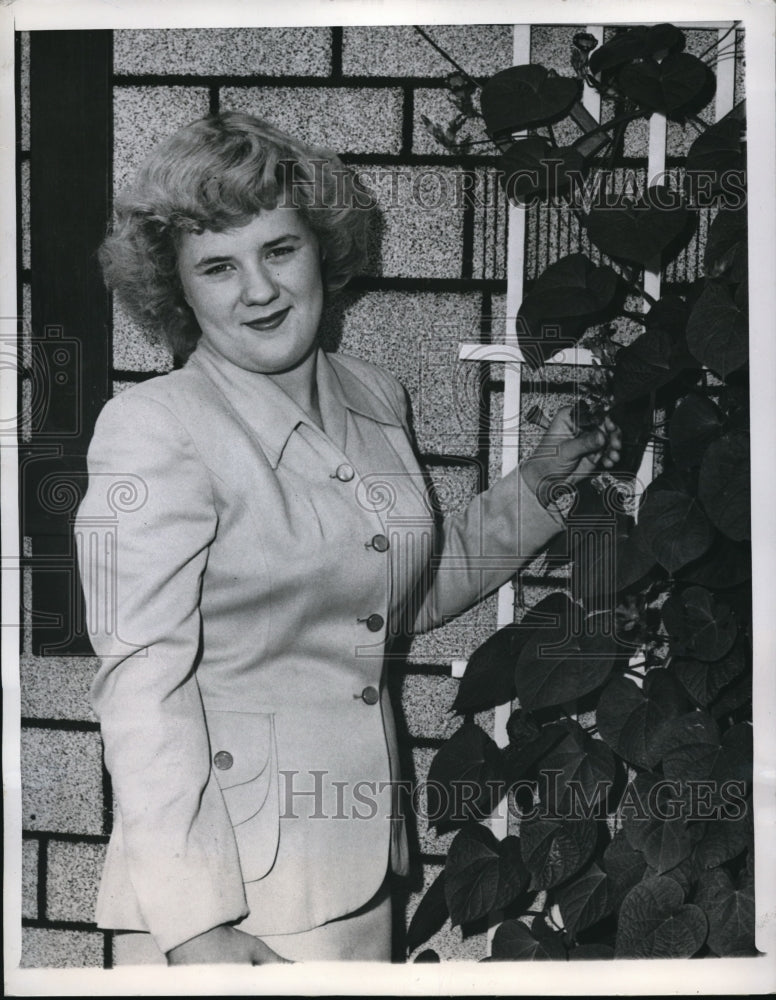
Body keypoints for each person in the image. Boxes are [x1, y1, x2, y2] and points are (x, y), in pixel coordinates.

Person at [74, 111, 621, 965]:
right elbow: (142, 686)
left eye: (278, 251)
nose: (259, 290)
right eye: (218, 267)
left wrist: (542, 483)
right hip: (228, 898)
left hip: (363, 863)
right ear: (177, 292)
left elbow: (397, 592)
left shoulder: (373, 394)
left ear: (320, 249)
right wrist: (197, 925)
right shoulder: (154, 430)